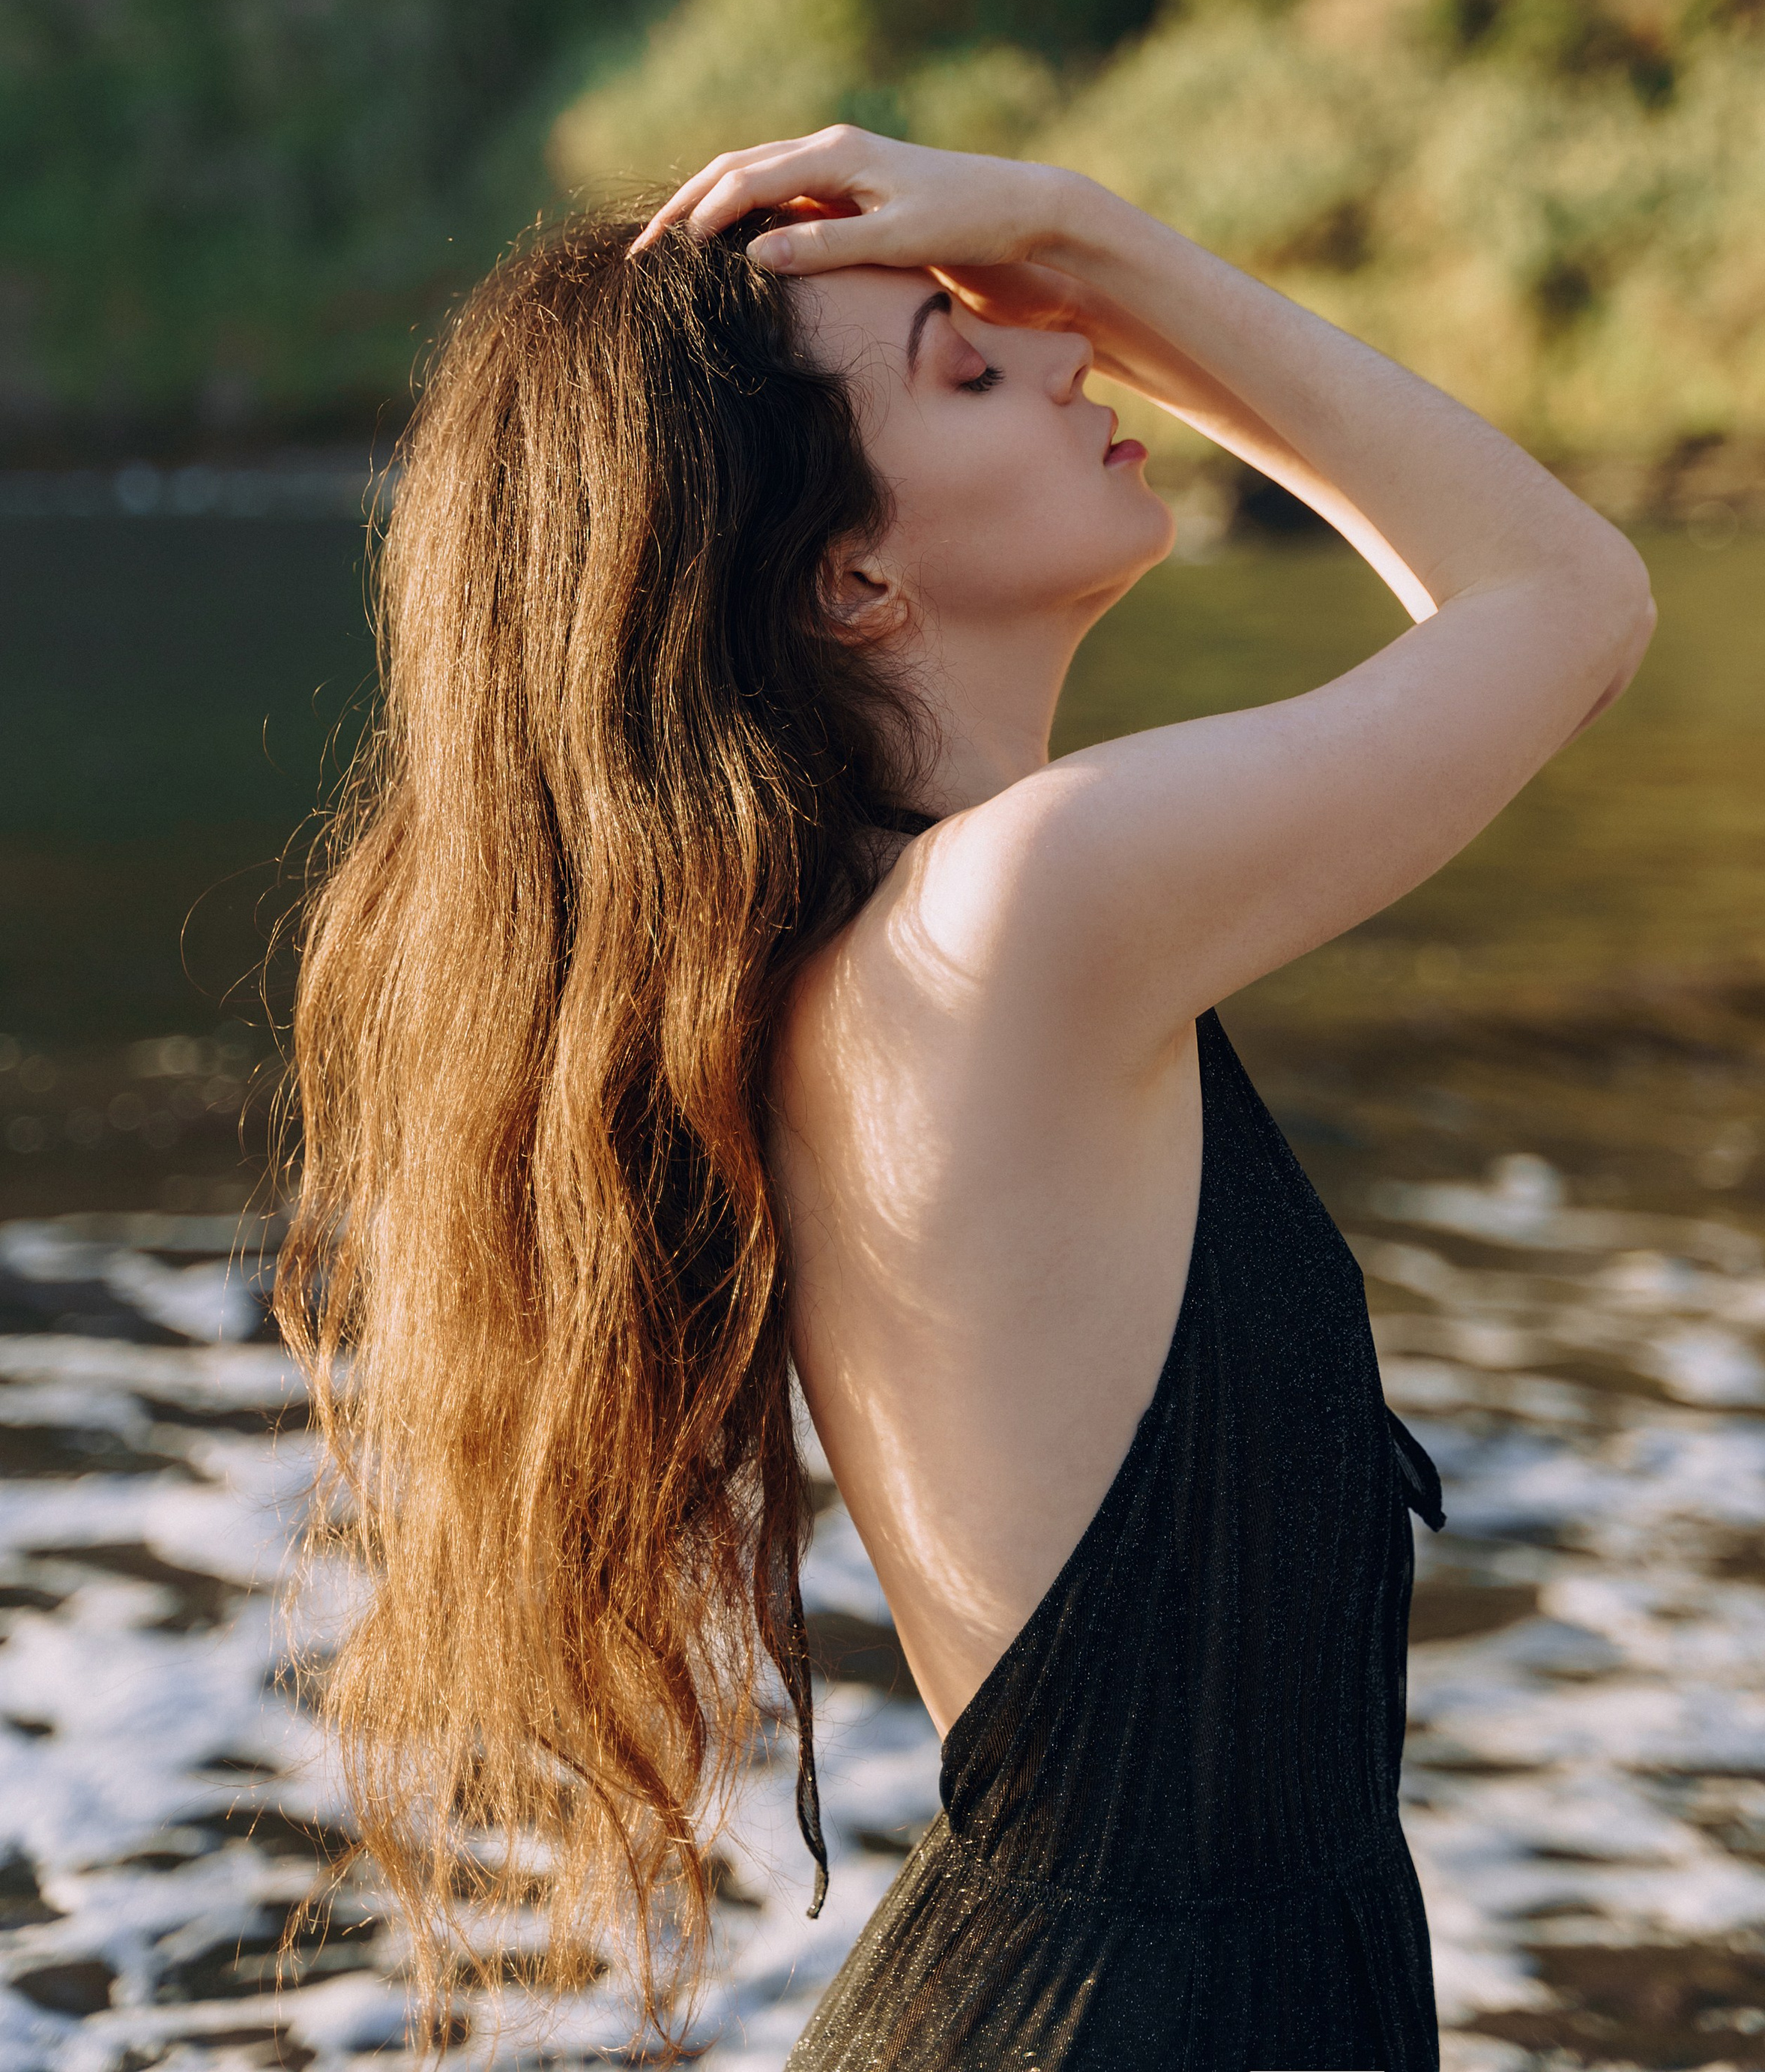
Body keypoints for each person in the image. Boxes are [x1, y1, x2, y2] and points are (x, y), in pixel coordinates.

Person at [278, 128, 1654, 2072]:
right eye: (970, 353)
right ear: (850, 576)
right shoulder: (1024, 917)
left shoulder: (886, 957)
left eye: (1024, 321)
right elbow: (1569, 600)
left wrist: (1041, 272)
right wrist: (1086, 233)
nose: (1057, 349)